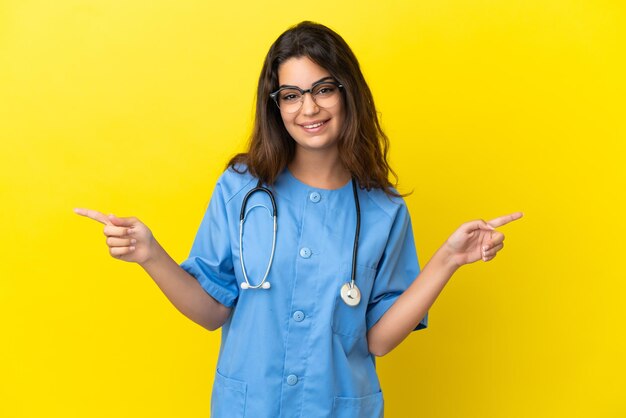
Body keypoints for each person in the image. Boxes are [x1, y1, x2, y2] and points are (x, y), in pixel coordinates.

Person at [75, 21, 522, 418]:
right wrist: (151, 255)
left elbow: (378, 340)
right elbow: (211, 310)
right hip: (249, 407)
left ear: (348, 93)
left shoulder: (384, 210)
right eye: (290, 95)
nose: (308, 109)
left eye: (323, 89)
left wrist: (448, 259)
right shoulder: (240, 188)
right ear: (276, 106)